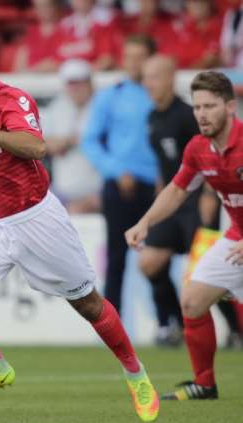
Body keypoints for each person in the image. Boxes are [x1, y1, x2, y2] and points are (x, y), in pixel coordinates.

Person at [0, 38, 159, 422]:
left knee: (88, 304)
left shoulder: (12, 100)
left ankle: (136, 374)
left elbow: (36, 148)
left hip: (36, 219)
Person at [126, 70, 241, 401]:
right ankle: (204, 384)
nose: (202, 114)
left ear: (230, 107)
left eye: (210, 106)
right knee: (191, 301)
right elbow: (177, 191)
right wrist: (145, 221)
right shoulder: (197, 148)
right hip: (236, 239)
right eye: (197, 107)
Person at [81, 33, 158, 317]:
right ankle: (113, 324)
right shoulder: (110, 96)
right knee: (117, 258)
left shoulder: (161, 96)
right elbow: (89, 140)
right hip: (120, 185)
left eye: (140, 58)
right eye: (129, 57)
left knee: (160, 256)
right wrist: (116, 169)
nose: (134, 64)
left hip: (159, 188)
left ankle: (168, 324)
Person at [139, 54, 204, 346]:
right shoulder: (152, 117)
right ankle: (173, 324)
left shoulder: (188, 115)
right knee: (149, 262)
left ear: (169, 78)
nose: (147, 84)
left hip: (197, 200)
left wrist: (211, 202)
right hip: (172, 200)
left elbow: (207, 159)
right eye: (145, 77)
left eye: (153, 77)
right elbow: (163, 165)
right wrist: (158, 198)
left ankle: (236, 331)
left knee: (208, 270)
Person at [42, 58, 101, 213]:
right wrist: (70, 140)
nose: (75, 88)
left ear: (89, 83)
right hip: (62, 189)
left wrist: (65, 141)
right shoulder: (58, 106)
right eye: (71, 83)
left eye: (79, 83)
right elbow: (44, 144)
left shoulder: (101, 106)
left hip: (96, 190)